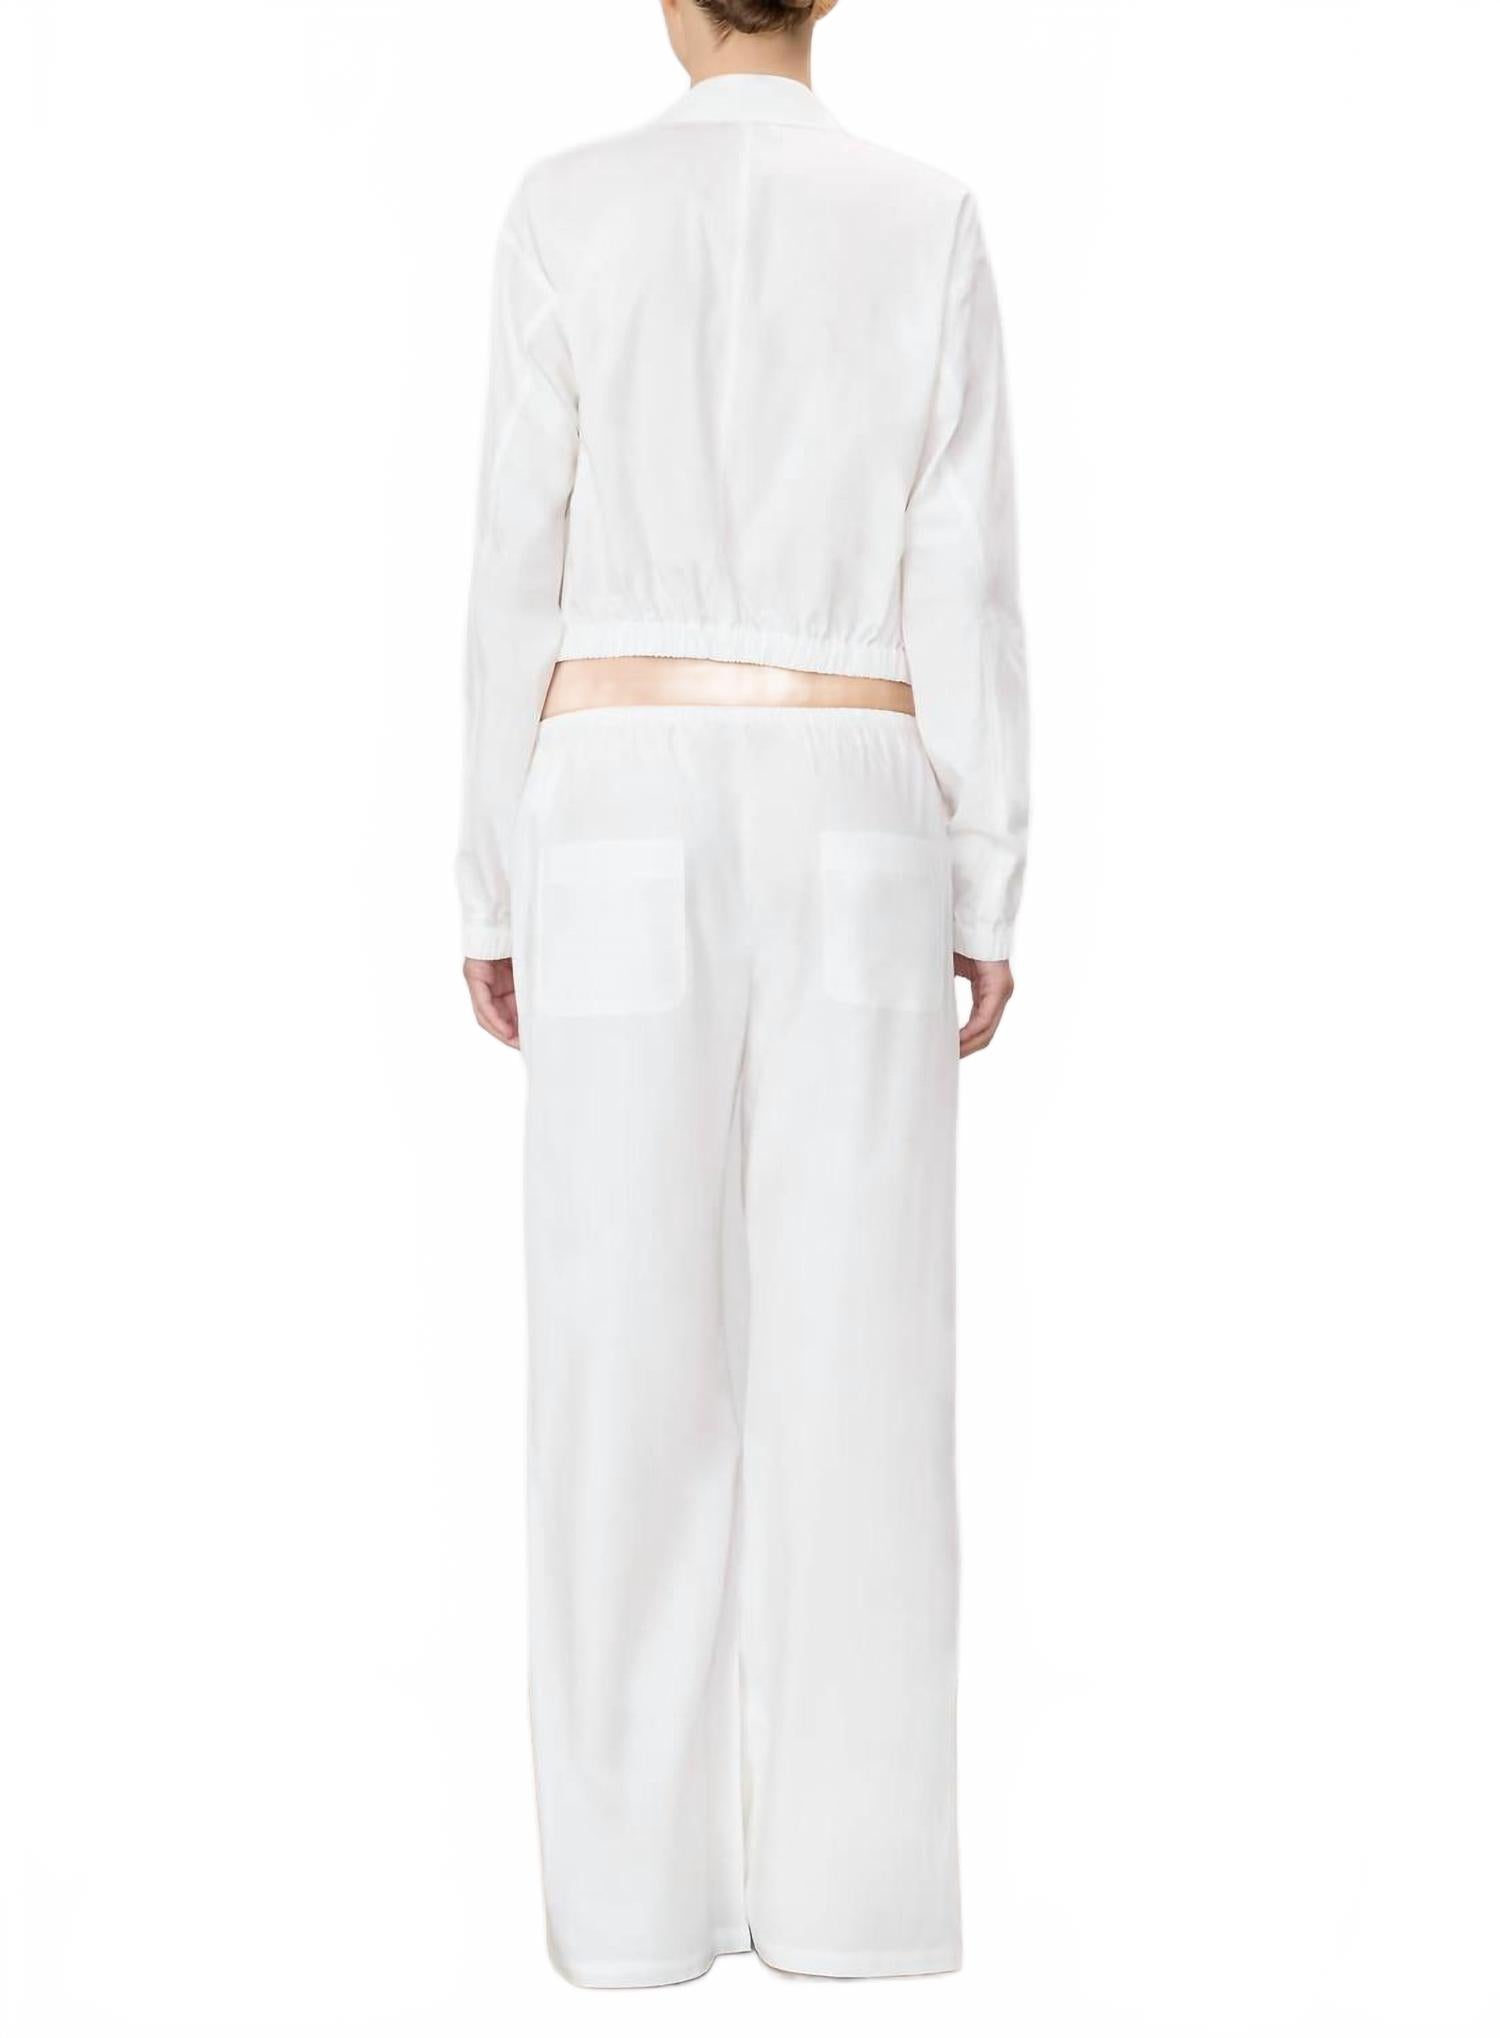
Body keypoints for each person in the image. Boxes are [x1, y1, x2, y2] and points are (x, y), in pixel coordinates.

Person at [457, 0, 1028, 1989]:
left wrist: (490, 870)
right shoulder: (925, 219)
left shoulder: (567, 210)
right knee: (866, 1350)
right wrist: (985, 866)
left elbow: (514, 568)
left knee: (618, 1354)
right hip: (860, 789)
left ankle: (629, 1915)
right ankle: (856, 1902)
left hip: (615, 787)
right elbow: (964, 571)